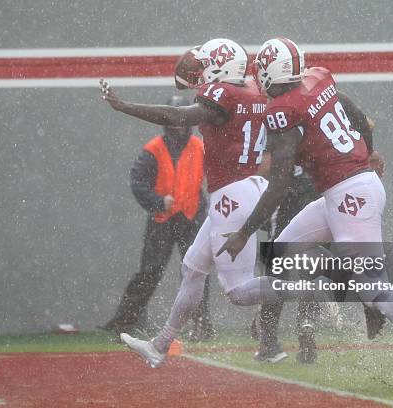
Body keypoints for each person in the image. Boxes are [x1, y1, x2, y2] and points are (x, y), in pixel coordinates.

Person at [218, 38, 393, 387]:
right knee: (282, 252)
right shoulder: (317, 78)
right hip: (344, 191)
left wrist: (245, 231)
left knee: (375, 286)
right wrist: (370, 151)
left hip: (350, 194)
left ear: (273, 71)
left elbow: (279, 183)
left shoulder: (282, 110)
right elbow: (356, 114)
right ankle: (354, 289)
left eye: (262, 71)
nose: (259, 77)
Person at [101, 38, 333, 369]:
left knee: (237, 292)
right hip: (245, 188)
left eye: (206, 66)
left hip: (232, 195)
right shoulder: (254, 88)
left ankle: (304, 285)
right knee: (193, 269)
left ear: (222, 67)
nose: (202, 74)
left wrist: (125, 107)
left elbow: (178, 115)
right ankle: (160, 344)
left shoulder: (225, 95)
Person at [253, 109, 386, 364]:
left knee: (276, 263)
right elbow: (367, 122)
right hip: (323, 191)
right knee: (320, 264)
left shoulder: (281, 113)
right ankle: (311, 322)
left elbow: (267, 168)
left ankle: (269, 338)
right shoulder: (319, 105)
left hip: (289, 195)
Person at [103, 95, 213, 341]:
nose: (178, 125)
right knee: (150, 272)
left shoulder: (200, 146)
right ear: (166, 121)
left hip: (192, 218)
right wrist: (157, 201)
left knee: (196, 273)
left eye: (182, 119)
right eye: (173, 119)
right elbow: (138, 183)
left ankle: (201, 323)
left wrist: (204, 207)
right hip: (161, 220)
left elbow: (215, 176)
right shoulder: (153, 149)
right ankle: (126, 321)